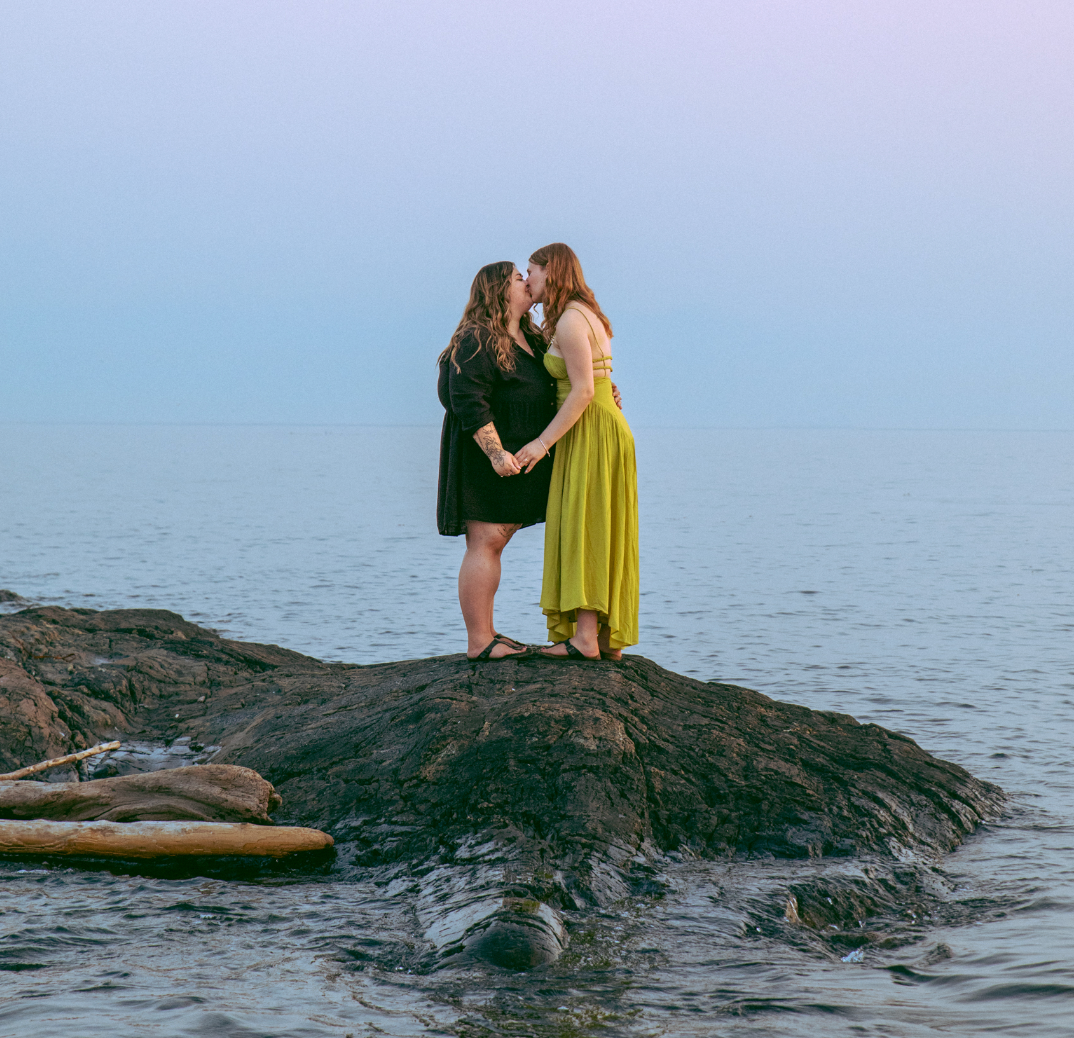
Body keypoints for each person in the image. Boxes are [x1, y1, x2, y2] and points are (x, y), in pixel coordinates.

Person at [515, 243, 639, 660]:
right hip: (602, 427)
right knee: (600, 526)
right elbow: (598, 382)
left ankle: (585, 638)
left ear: (551, 271)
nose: (527, 278)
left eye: (530, 270)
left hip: (590, 430)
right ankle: (602, 636)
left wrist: (540, 443)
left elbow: (584, 390)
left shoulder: (570, 320)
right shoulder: (585, 313)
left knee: (586, 526)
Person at [437, 262, 556, 659]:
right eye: (518, 279)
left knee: (496, 541)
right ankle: (480, 642)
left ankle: (488, 634)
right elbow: (467, 399)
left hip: (523, 454)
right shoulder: (477, 338)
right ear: (497, 290)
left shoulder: (531, 338)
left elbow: (562, 381)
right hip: (485, 458)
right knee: (485, 541)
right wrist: (494, 452)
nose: (527, 282)